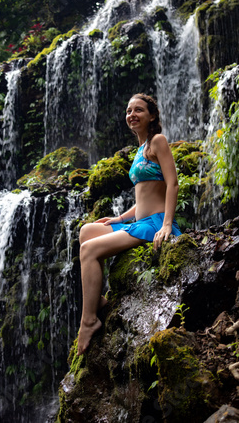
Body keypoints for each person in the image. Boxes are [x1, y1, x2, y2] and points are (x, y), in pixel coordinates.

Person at [77, 93, 181, 356]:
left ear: (152, 116)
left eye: (139, 110)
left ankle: (89, 319)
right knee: (86, 231)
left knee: (88, 250)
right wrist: (121, 218)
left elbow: (172, 183)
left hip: (153, 224)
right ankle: (98, 298)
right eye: (128, 110)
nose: (132, 114)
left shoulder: (158, 141)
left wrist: (167, 225)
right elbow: (145, 193)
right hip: (138, 221)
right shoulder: (139, 149)